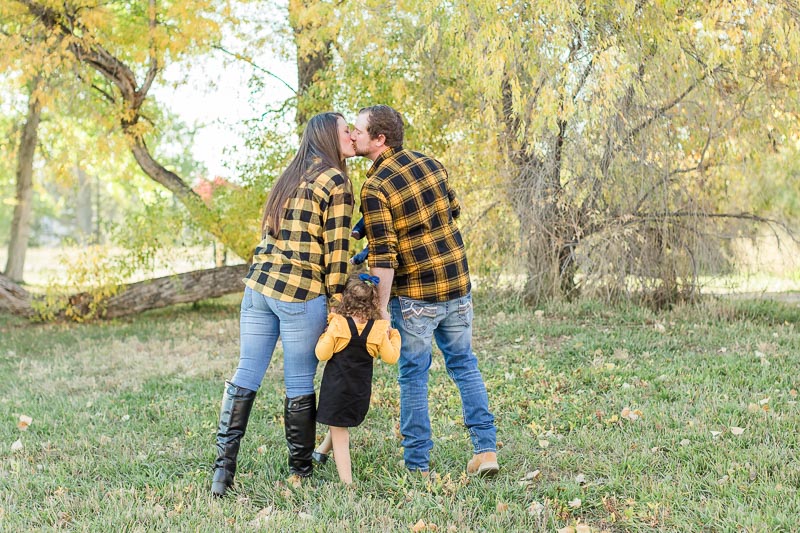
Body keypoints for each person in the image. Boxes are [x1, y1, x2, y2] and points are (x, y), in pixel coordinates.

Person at [210, 112, 355, 497]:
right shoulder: (335, 181)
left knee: (245, 375)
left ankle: (222, 474)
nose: (352, 137)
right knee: (298, 382)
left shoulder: (290, 175)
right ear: (328, 136)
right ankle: (300, 471)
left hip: (259, 287)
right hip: (299, 293)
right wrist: (338, 304)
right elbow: (337, 252)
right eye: (346, 131)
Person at [351, 104, 499, 477]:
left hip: (416, 295)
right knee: (464, 365)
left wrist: (381, 308)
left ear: (379, 138)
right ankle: (486, 450)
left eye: (358, 130)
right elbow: (451, 210)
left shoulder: (375, 185)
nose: (353, 136)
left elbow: (385, 258)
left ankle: (418, 464)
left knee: (414, 374)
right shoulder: (430, 162)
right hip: (457, 285)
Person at [311, 272, 401, 484]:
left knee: (340, 433)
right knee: (339, 423)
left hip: (336, 388)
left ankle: (347, 484)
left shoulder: (338, 323)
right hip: (359, 389)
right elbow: (391, 357)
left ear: (345, 297)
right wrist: (394, 335)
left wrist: (325, 334)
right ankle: (321, 451)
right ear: (373, 300)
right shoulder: (378, 328)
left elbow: (321, 354)